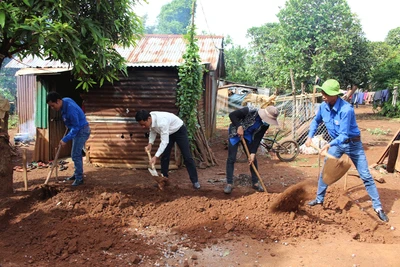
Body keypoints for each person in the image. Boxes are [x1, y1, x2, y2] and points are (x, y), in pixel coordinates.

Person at [305, 79, 389, 222]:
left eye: (326, 93)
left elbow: (344, 135)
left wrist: (329, 145)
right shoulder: (323, 107)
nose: (323, 95)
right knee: (326, 171)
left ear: (334, 95)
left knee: (365, 175)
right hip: (336, 145)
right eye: (322, 92)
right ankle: (319, 199)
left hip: (353, 144)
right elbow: (315, 121)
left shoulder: (346, 109)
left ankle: (378, 207)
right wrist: (310, 136)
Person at [135, 110, 200, 189]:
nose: (143, 127)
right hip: (168, 132)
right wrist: (150, 143)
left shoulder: (162, 122)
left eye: (143, 124)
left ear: (148, 119)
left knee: (187, 156)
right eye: (141, 125)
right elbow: (152, 130)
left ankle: (195, 181)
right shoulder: (151, 118)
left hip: (179, 130)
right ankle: (163, 180)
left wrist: (155, 156)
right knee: (165, 156)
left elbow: (164, 142)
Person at [224, 105, 279, 194]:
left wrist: (253, 152)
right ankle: (229, 183)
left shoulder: (265, 124)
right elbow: (232, 115)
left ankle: (255, 183)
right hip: (235, 133)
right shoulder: (250, 110)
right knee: (231, 158)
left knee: (252, 159)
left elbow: (258, 138)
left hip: (248, 136)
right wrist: (239, 126)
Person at [46, 92, 91, 186]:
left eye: (53, 106)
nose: (52, 108)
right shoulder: (66, 100)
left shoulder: (70, 110)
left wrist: (65, 139)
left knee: (75, 154)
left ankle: (79, 178)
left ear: (58, 101)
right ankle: (76, 174)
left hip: (82, 130)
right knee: (75, 154)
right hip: (78, 129)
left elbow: (76, 127)